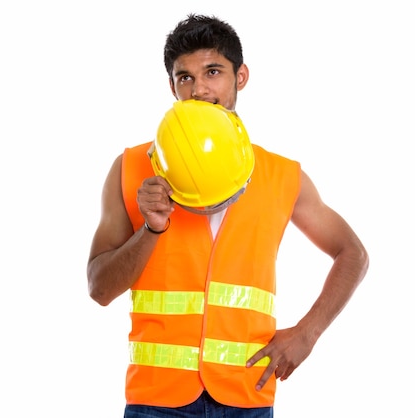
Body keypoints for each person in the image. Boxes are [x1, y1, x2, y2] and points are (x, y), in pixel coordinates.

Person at [86, 13, 369, 418]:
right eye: (185, 77)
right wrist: (152, 228)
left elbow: (353, 253)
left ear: (241, 77)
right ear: (172, 87)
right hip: (156, 401)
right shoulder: (131, 167)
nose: (199, 89)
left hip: (246, 397)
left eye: (213, 71)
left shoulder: (283, 175)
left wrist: (308, 333)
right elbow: (99, 289)